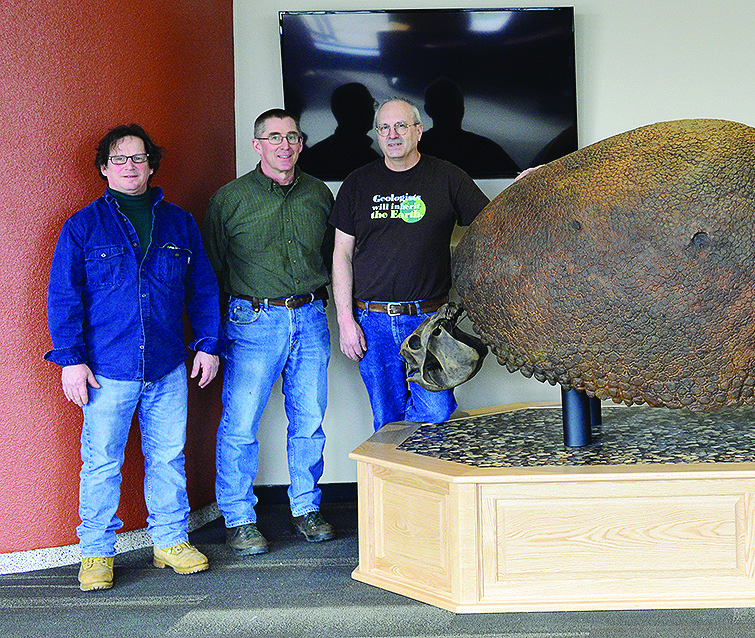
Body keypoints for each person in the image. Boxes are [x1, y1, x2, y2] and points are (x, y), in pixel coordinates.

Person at [46, 125, 222, 591]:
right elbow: (65, 298)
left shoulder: (181, 224)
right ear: (104, 168)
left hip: (167, 367)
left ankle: (169, 541)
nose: (130, 167)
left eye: (138, 159)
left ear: (151, 164)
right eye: (119, 160)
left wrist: (207, 343)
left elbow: (202, 288)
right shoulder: (82, 226)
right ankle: (96, 553)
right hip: (106, 370)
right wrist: (71, 360)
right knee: (101, 462)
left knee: (168, 458)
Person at [204, 109, 336, 555]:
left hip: (311, 318)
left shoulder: (318, 193)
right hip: (253, 321)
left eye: (293, 137)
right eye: (275, 137)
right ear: (258, 144)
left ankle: (306, 508)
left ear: (301, 144)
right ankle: (239, 519)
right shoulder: (231, 198)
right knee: (240, 424)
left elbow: (331, 255)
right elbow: (215, 267)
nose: (286, 145)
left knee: (310, 420)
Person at [331, 98, 489, 429]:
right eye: (384, 128)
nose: (392, 135)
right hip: (371, 321)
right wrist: (345, 321)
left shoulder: (447, 177)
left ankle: (417, 468)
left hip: (429, 320)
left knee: (435, 413)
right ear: (377, 134)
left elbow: (490, 222)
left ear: (418, 131)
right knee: (386, 420)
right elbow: (341, 254)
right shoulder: (357, 184)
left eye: (401, 126)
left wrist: (520, 191)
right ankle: (398, 479)